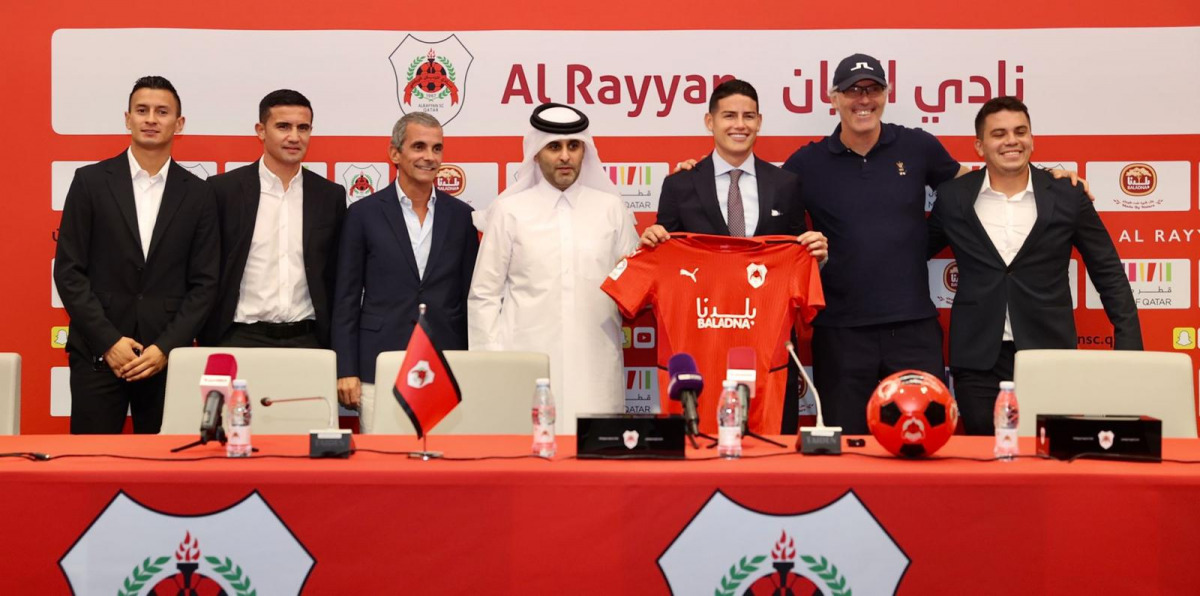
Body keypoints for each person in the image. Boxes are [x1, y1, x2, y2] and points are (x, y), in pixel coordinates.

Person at [780, 53, 1088, 434]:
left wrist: (1048, 178)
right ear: (833, 98)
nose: (863, 99)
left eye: (873, 89)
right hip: (840, 331)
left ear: (886, 94)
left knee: (925, 443)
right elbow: (758, 197)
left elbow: (980, 180)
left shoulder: (917, 146)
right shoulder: (807, 163)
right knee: (848, 446)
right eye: (852, 91)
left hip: (914, 328)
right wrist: (693, 175)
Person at [928, 96, 1141, 434]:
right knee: (985, 460)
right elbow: (911, 251)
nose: (1011, 140)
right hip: (978, 359)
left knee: (1051, 460)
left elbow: (1109, 272)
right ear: (980, 146)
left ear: (1031, 139)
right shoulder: (953, 197)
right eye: (998, 134)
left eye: (1020, 131)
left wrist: (1130, 349)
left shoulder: (1067, 194)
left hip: (1050, 353)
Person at [638, 79, 828, 433]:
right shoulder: (679, 184)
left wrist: (816, 256)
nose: (739, 125)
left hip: (766, 347)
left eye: (748, 116)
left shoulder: (786, 184)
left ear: (759, 122)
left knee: (771, 455)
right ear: (710, 122)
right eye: (728, 116)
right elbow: (664, 253)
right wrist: (653, 240)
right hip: (702, 343)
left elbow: (794, 258)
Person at [53, 75, 218, 433]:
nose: (151, 119)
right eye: (142, 110)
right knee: (92, 466)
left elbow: (205, 284)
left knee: (167, 472)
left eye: (162, 111)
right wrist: (109, 342)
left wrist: (166, 348)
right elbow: (68, 272)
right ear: (127, 118)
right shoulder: (90, 182)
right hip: (98, 353)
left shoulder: (200, 195)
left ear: (180, 123)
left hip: (166, 357)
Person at [469, 103, 639, 434]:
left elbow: (634, 287)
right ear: (536, 153)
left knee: (595, 466)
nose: (565, 156)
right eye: (554, 147)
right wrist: (492, 363)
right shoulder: (509, 210)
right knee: (526, 469)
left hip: (595, 368)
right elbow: (484, 296)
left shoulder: (611, 209)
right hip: (525, 366)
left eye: (573, 146)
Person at [332, 112, 478, 432]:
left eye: (437, 148)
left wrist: (474, 364)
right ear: (395, 153)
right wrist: (346, 368)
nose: (429, 157)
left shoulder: (462, 217)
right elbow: (344, 298)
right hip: (378, 364)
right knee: (382, 470)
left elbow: (472, 297)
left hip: (447, 364)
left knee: (446, 466)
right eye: (419, 146)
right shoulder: (362, 214)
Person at [200, 89, 347, 349]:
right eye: (283, 126)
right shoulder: (223, 190)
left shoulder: (329, 196)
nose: (294, 137)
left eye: (303, 128)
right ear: (261, 130)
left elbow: (336, 276)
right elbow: (205, 270)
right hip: (238, 338)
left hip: (309, 340)